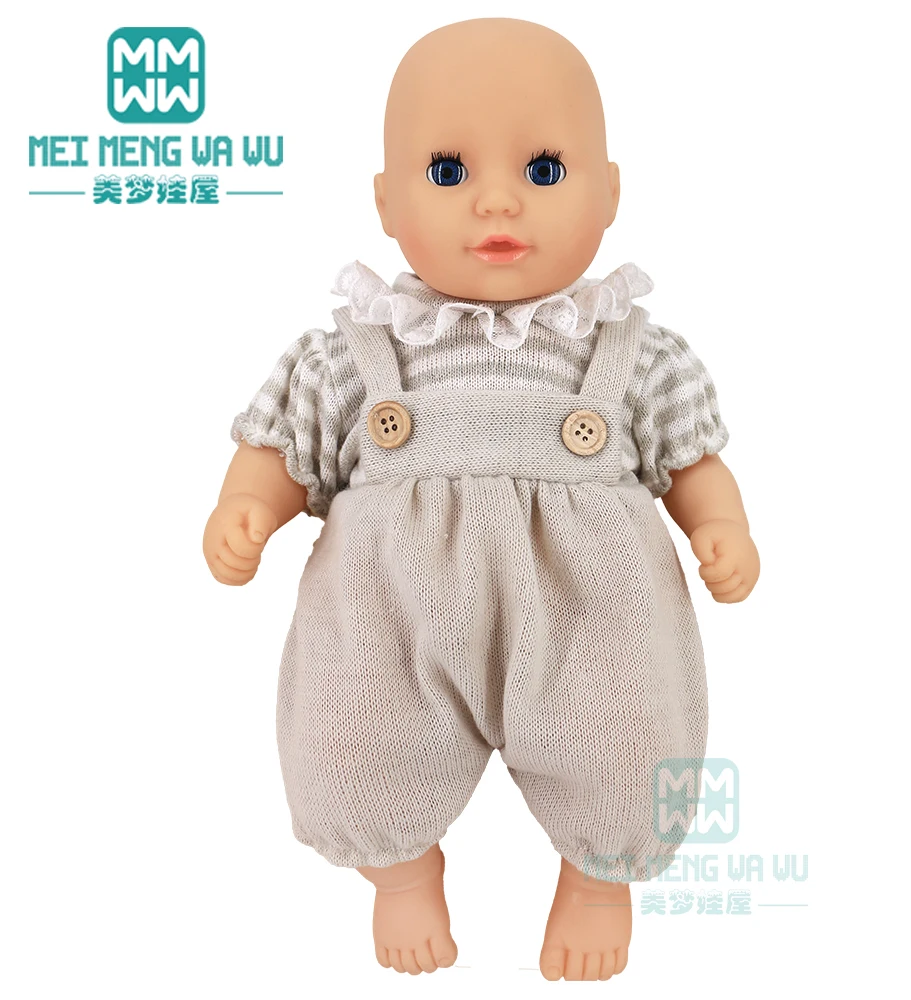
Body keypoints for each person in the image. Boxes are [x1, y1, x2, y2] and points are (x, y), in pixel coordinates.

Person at [203, 17, 759, 981]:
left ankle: (599, 880)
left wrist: (722, 526)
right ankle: (400, 873)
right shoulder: (358, 350)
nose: (496, 199)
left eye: (544, 170)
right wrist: (247, 506)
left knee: (627, 736)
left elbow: (691, 460)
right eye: (448, 170)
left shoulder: (633, 352)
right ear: (385, 201)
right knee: (351, 739)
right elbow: (281, 444)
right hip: (393, 606)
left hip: (593, 603)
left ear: (610, 193)